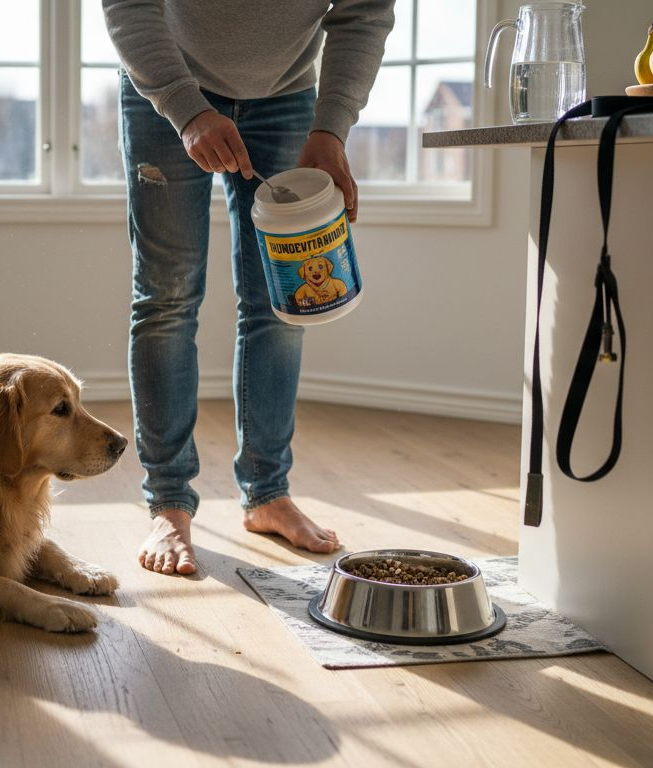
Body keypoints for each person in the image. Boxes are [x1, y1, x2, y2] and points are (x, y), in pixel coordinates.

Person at [103, 0, 396, 575]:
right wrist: (187, 111)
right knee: (167, 297)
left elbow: (363, 14)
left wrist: (330, 127)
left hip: (288, 96)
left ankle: (267, 493)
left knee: (279, 303)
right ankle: (168, 502)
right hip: (167, 87)